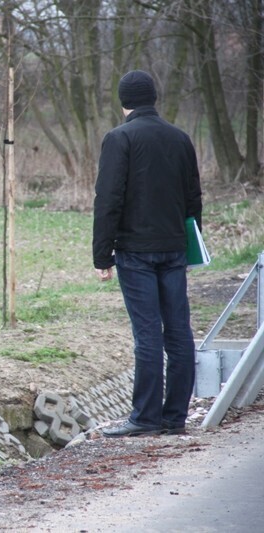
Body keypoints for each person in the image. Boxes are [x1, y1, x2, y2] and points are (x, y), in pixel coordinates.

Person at [93, 70, 202, 437]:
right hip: (174, 248)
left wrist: (101, 256)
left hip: (136, 251)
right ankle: (175, 419)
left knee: (148, 335)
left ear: (123, 101)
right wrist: (191, 246)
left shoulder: (119, 139)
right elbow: (193, 199)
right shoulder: (180, 138)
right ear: (153, 98)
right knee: (179, 333)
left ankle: (145, 418)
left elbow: (108, 200)